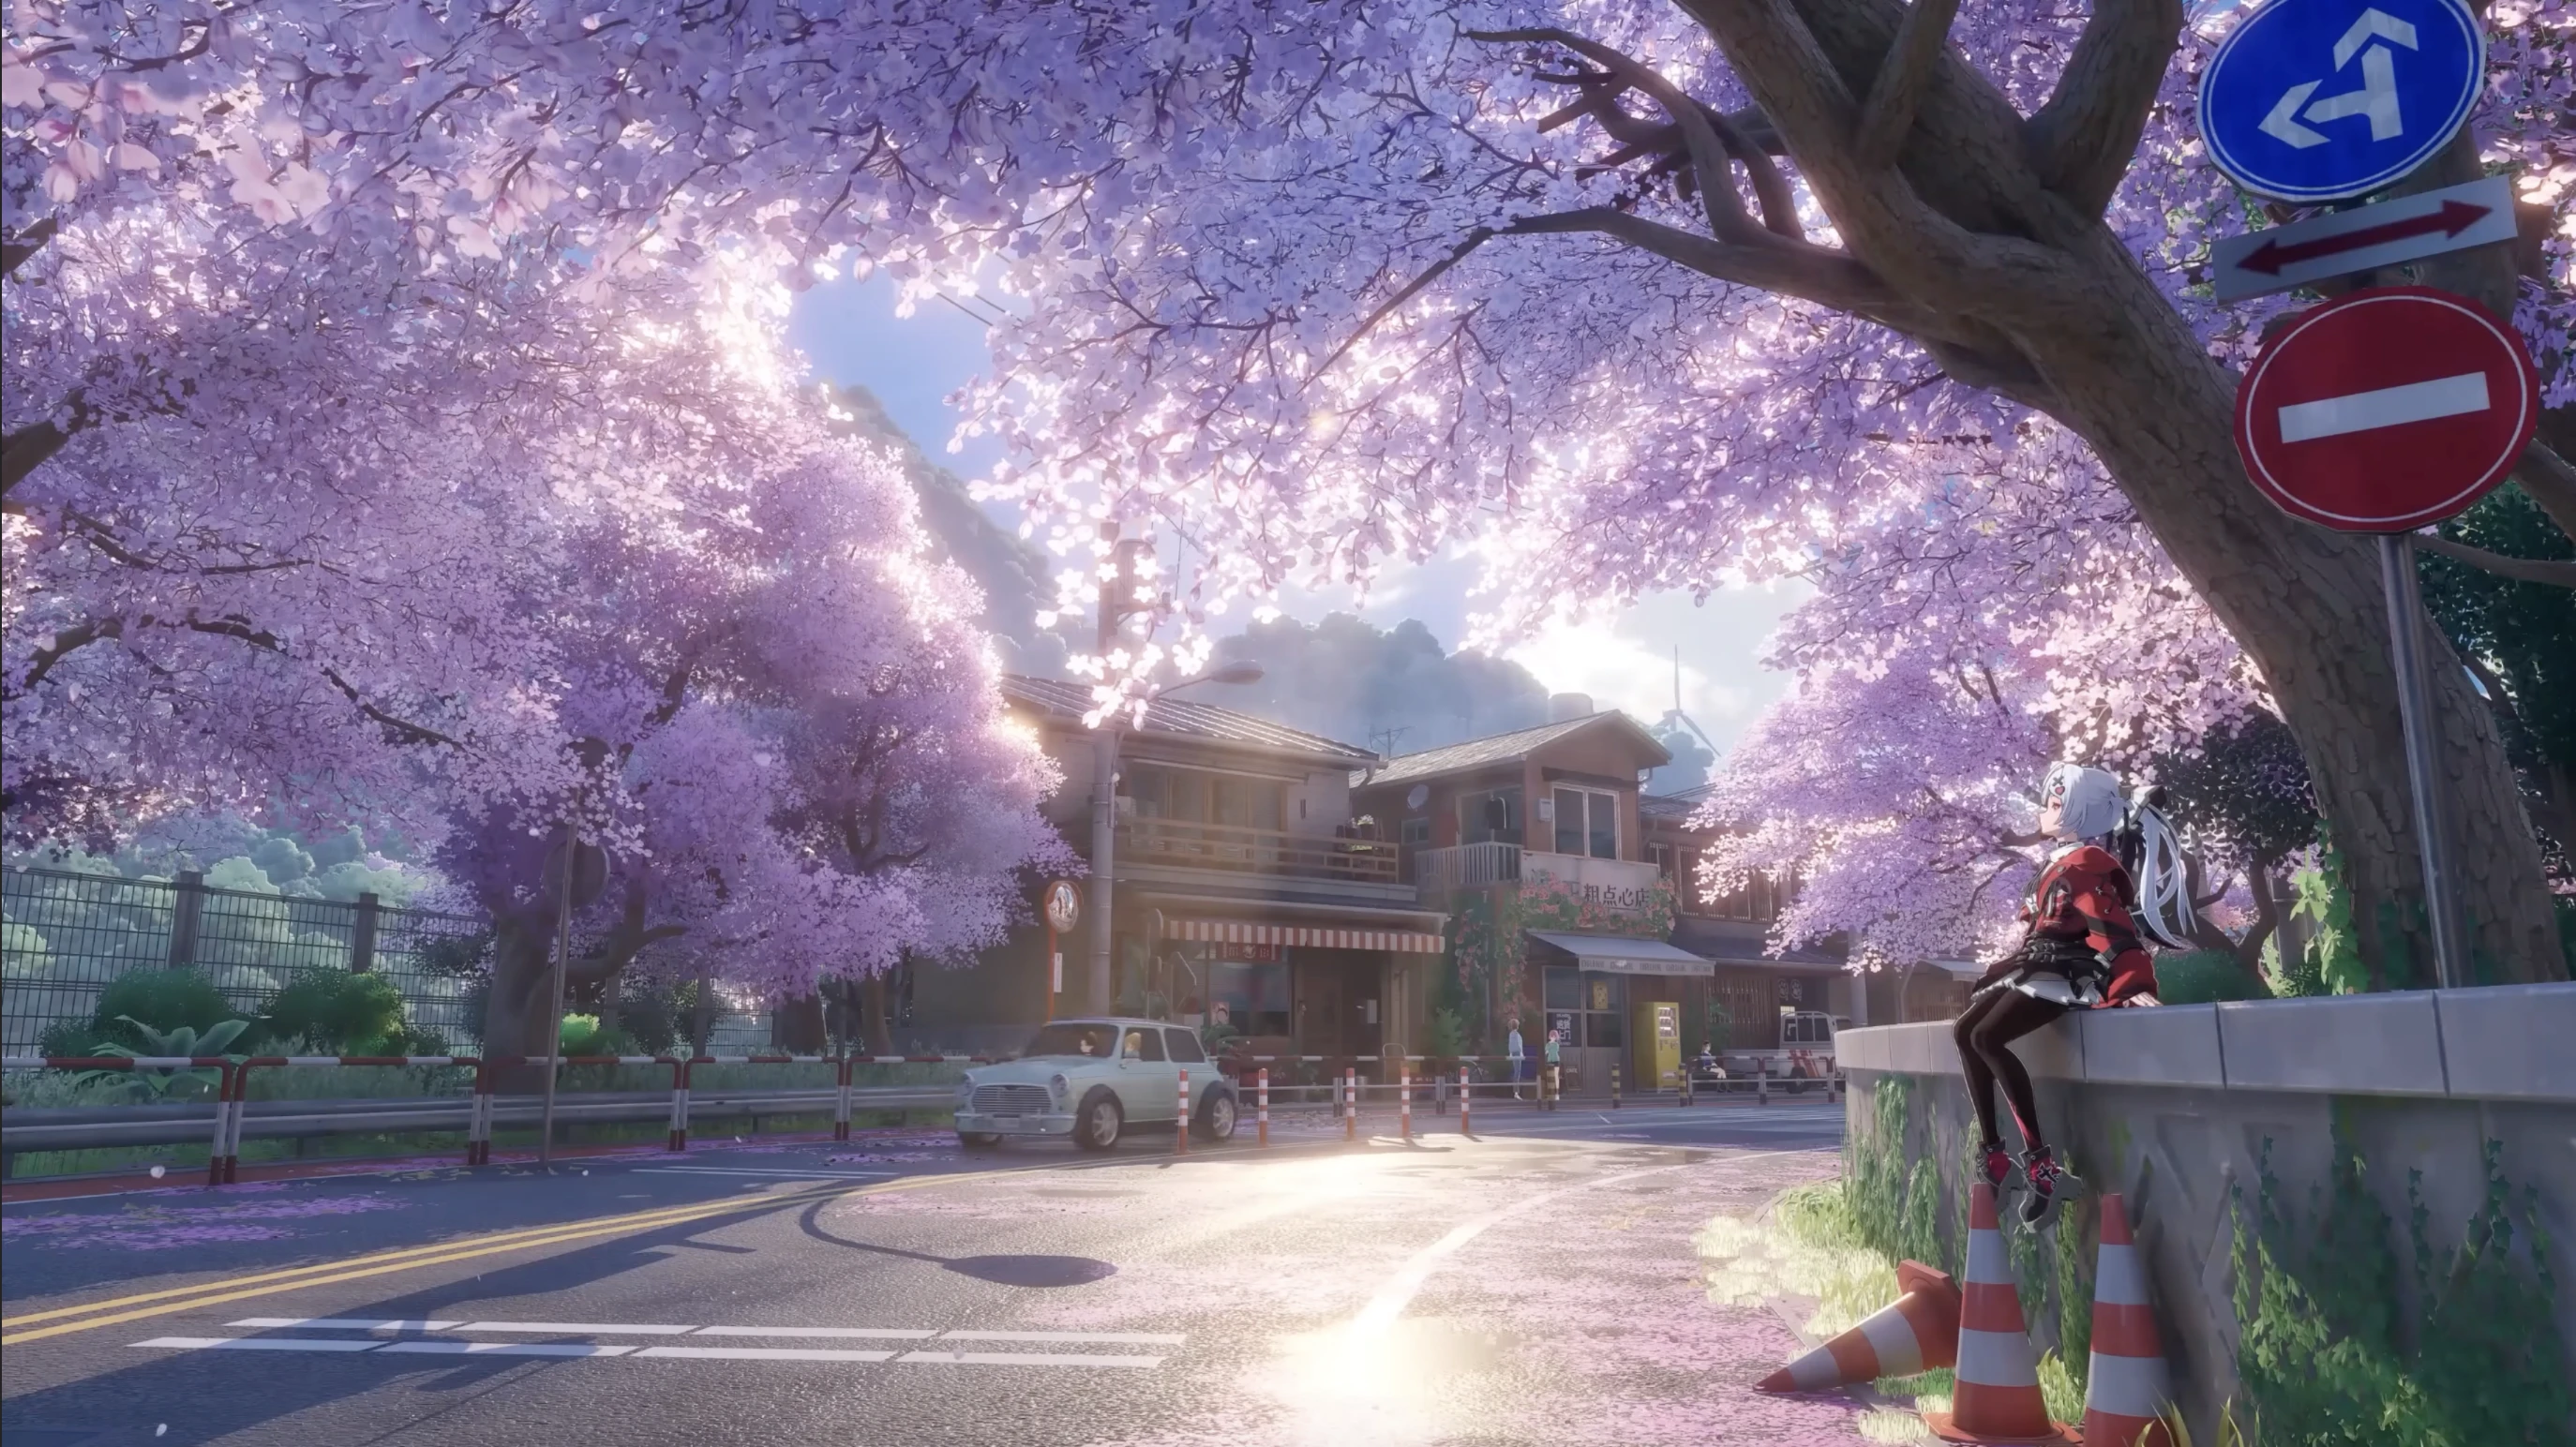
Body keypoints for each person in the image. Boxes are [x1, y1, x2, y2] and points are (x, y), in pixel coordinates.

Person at [1954, 762, 2170, 1230]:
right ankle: (1994, 1155)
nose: (2044, 811)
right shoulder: (2061, 862)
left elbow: (2109, 927)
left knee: (1988, 1037)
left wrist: (2132, 981)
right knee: (1965, 1031)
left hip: (2066, 968)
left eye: (2055, 803)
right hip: (2037, 963)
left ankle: (2041, 1166)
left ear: (2078, 812)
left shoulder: (2087, 864)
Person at [1505, 1017, 1527, 1100]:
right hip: (1517, 1053)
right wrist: (1521, 1053)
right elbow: (1518, 1045)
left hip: (1514, 1053)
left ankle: (1516, 1091)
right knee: (1517, 1072)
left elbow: (1511, 1045)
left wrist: (1511, 1052)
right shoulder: (1516, 1035)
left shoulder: (1511, 1034)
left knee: (1516, 1072)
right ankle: (1516, 1092)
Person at [1542, 1027, 1563, 1111]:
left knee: (1556, 1076)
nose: (1553, 1037)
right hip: (1549, 1061)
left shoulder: (1556, 1044)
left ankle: (1556, 1093)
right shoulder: (1548, 1044)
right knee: (1549, 1077)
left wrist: (1550, 1047)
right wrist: (1549, 1046)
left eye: (1554, 1036)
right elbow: (1546, 1052)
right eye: (1551, 1035)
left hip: (1556, 1060)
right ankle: (1550, 1093)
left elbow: (1556, 1050)